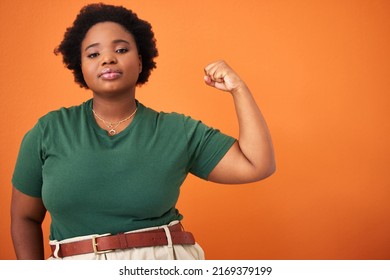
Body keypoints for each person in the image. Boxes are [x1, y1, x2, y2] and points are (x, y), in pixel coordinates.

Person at [11, 3, 275, 260]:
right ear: (80, 66)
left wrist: (239, 90)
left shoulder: (177, 130)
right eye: (93, 54)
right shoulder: (49, 130)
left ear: (139, 62)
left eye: (121, 49)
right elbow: (25, 218)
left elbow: (257, 164)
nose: (108, 58)